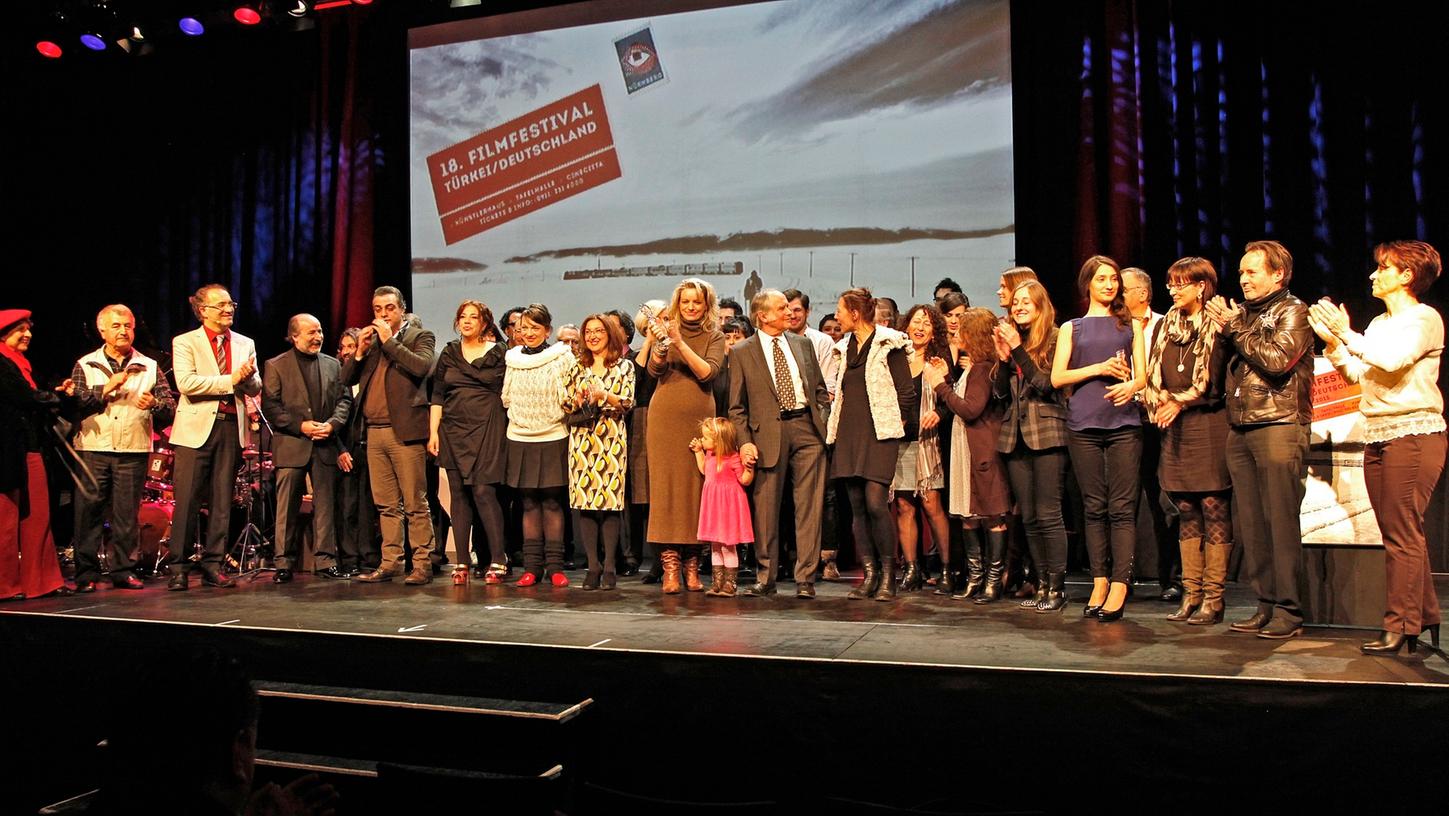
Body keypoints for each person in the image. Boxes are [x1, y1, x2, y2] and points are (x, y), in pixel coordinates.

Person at [1311, 241, 1446, 654]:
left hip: (1414, 434)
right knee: (1397, 532)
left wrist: (1344, 333)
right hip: (1379, 434)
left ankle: (1400, 623)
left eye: (1383, 268)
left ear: (1406, 275)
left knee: (1403, 532)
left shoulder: (1424, 319)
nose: (1373, 275)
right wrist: (1334, 345)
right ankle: (1423, 617)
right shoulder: (1379, 324)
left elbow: (1391, 360)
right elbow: (1359, 375)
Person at [1204, 240, 1313, 639]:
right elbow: (1216, 381)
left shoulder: (1293, 311)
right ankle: (1265, 603)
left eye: (1252, 271)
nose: (1243, 278)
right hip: (1241, 426)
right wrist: (1220, 334)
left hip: (1279, 424)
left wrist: (1233, 327)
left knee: (1279, 522)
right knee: (1252, 524)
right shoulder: (1242, 317)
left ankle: (1290, 611)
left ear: (1278, 274)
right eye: (1242, 272)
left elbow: (1276, 361)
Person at [1052, 256, 1146, 622]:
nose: (1110, 285)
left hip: (1123, 423)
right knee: (1093, 507)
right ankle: (1100, 580)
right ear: (1088, 283)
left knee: (1121, 506)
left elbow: (1143, 375)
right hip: (1083, 423)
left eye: (1114, 280)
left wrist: (1131, 385)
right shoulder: (1071, 328)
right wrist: (1099, 368)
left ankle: (1121, 582)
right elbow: (1058, 377)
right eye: (1102, 279)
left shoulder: (1130, 325)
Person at [1143, 258, 1232, 624]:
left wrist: (1179, 402)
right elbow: (1152, 373)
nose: (1175, 291)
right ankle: (1191, 594)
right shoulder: (1166, 326)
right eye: (1171, 284)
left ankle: (1215, 597)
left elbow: (1214, 382)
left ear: (1201, 287)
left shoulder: (1218, 325)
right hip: (1173, 427)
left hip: (1207, 425)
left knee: (1212, 506)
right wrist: (1163, 400)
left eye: (1182, 284)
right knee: (1185, 509)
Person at [728, 289, 830, 599]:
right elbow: (736, 407)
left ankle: (806, 579)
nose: (789, 312)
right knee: (767, 508)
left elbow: (820, 391)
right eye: (782, 308)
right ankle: (766, 576)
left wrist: (821, 422)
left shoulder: (803, 344)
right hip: (766, 436)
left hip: (807, 430)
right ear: (764, 316)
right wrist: (745, 442)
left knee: (809, 507)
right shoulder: (743, 351)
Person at [66, 304, 175, 592]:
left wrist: (154, 404)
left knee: (126, 515)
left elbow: (170, 409)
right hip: (94, 447)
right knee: (88, 513)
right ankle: (86, 573)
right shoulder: (86, 364)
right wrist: (105, 389)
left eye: (127, 325)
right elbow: (73, 403)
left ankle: (123, 570)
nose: (123, 331)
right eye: (116, 326)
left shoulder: (150, 366)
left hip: (133, 449)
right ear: (102, 330)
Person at [166, 285, 262, 591]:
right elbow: (186, 383)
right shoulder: (185, 342)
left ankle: (213, 564)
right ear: (202, 310)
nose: (228, 309)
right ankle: (179, 567)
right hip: (196, 429)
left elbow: (255, 383)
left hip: (231, 426)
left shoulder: (245, 343)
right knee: (188, 500)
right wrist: (230, 380)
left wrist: (248, 379)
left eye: (231, 304)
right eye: (221, 305)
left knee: (222, 500)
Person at [344, 286, 438, 586]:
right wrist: (359, 352)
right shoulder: (370, 343)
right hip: (374, 432)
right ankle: (391, 563)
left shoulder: (419, 337)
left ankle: (422, 563)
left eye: (389, 308)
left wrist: (389, 342)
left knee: (414, 502)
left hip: (405, 433)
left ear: (402, 309)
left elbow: (422, 366)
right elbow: (344, 380)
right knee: (385, 504)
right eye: (377, 309)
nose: (383, 315)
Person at [828, 288, 917, 601]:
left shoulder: (888, 343)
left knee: (877, 503)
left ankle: (888, 575)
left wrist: (896, 426)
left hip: (880, 434)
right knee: (857, 508)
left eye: (840, 311)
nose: (836, 317)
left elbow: (906, 393)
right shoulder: (844, 347)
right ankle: (870, 574)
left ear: (854, 313)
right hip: (849, 433)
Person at [642, 279, 726, 594]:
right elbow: (654, 372)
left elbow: (707, 373)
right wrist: (661, 348)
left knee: (697, 490)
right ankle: (670, 567)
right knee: (666, 492)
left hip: (699, 419)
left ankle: (693, 565)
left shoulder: (714, 336)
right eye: (686, 302)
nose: (691, 307)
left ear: (706, 306)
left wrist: (679, 342)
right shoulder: (667, 329)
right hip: (663, 417)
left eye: (697, 302)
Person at [991, 281, 1071, 611]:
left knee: (1049, 513)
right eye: (1016, 302)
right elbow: (999, 394)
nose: (1019, 306)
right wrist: (1002, 359)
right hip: (1015, 437)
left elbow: (1045, 384)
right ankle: (1040, 584)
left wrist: (1017, 352)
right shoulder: (1014, 343)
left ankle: (1057, 587)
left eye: (1027, 302)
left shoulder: (1055, 338)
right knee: (1030, 518)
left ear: (1040, 306)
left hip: (1048, 434)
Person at [926, 307, 1012, 602]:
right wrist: (948, 378)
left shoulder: (981, 368)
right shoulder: (974, 367)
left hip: (981, 451)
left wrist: (939, 385)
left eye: (961, 329)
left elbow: (971, 410)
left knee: (990, 514)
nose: (955, 332)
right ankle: (975, 578)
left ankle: (992, 580)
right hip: (967, 449)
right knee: (969, 515)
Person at [262, 314, 351, 583]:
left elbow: (344, 400)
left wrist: (333, 425)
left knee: (325, 506)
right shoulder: (276, 365)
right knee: (286, 507)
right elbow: (271, 407)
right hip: (292, 445)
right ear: (294, 336)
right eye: (311, 332)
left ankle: (325, 560)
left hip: (324, 445)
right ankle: (283, 562)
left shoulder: (333, 365)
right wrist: (301, 426)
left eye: (320, 331)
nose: (318, 337)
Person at [428, 301, 509, 586]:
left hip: (488, 427)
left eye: (473, 317)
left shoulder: (500, 353)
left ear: (485, 323)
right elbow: (437, 395)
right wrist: (433, 432)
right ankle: (461, 560)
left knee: (485, 492)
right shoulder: (449, 352)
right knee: (459, 493)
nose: (467, 321)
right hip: (453, 429)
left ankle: (498, 558)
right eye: (463, 316)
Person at [501, 304, 573, 586]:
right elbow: (506, 397)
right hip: (519, 436)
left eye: (535, 328)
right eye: (524, 328)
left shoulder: (561, 356)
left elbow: (568, 395)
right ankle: (532, 567)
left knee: (553, 503)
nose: (529, 333)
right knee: (528, 503)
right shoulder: (512, 358)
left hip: (552, 435)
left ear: (547, 331)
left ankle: (555, 567)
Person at [0, 310, 69, 599]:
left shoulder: (21, 364)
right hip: (5, 451)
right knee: (5, 519)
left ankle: (41, 581)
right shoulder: (1, 362)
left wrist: (52, 393)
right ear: (4, 335)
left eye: (28, 329)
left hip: (29, 447)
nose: (27, 335)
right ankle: (5, 586)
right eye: (20, 330)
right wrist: (60, 397)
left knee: (38, 515)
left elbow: (31, 396)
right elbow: (24, 397)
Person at [563, 314, 635, 590]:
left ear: (609, 335)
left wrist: (602, 395)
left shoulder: (624, 367)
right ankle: (592, 566)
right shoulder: (575, 367)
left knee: (610, 505)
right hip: (582, 438)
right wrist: (580, 399)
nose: (592, 336)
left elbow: (626, 401)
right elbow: (567, 404)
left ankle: (610, 568)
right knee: (586, 504)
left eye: (598, 331)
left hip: (611, 438)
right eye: (588, 332)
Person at [890, 304, 953, 593]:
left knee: (931, 504)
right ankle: (912, 569)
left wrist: (939, 413)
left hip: (929, 444)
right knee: (904, 506)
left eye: (927, 324)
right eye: (916, 322)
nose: (920, 328)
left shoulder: (939, 359)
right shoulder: (895, 359)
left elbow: (952, 399)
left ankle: (946, 568)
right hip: (900, 442)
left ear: (934, 330)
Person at [1123, 266, 1176, 601]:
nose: (1117, 294)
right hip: (1124, 422)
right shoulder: (1113, 328)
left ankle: (1171, 578)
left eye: (1124, 289)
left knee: (1165, 502)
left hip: (1159, 423)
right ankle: (1119, 579)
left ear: (1143, 293)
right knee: (1123, 503)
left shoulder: (1165, 326)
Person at [692, 417, 755, 597]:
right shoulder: (710, 456)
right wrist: (698, 452)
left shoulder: (733, 458)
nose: (702, 440)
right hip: (713, 506)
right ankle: (717, 582)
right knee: (715, 545)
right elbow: (704, 469)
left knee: (728, 546)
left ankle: (730, 584)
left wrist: (749, 468)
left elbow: (744, 480)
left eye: (705, 438)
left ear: (718, 440)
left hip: (728, 507)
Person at [333, 328, 376, 575]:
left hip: (370, 448)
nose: (348, 351)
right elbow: (331, 416)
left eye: (353, 346)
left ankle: (370, 558)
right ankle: (349, 560)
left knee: (368, 507)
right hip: (345, 450)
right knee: (347, 507)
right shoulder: (337, 378)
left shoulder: (371, 375)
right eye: (344, 347)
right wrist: (339, 450)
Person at [937, 292, 971, 371]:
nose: (953, 321)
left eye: (958, 316)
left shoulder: (972, 346)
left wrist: (973, 368)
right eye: (948, 316)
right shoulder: (934, 344)